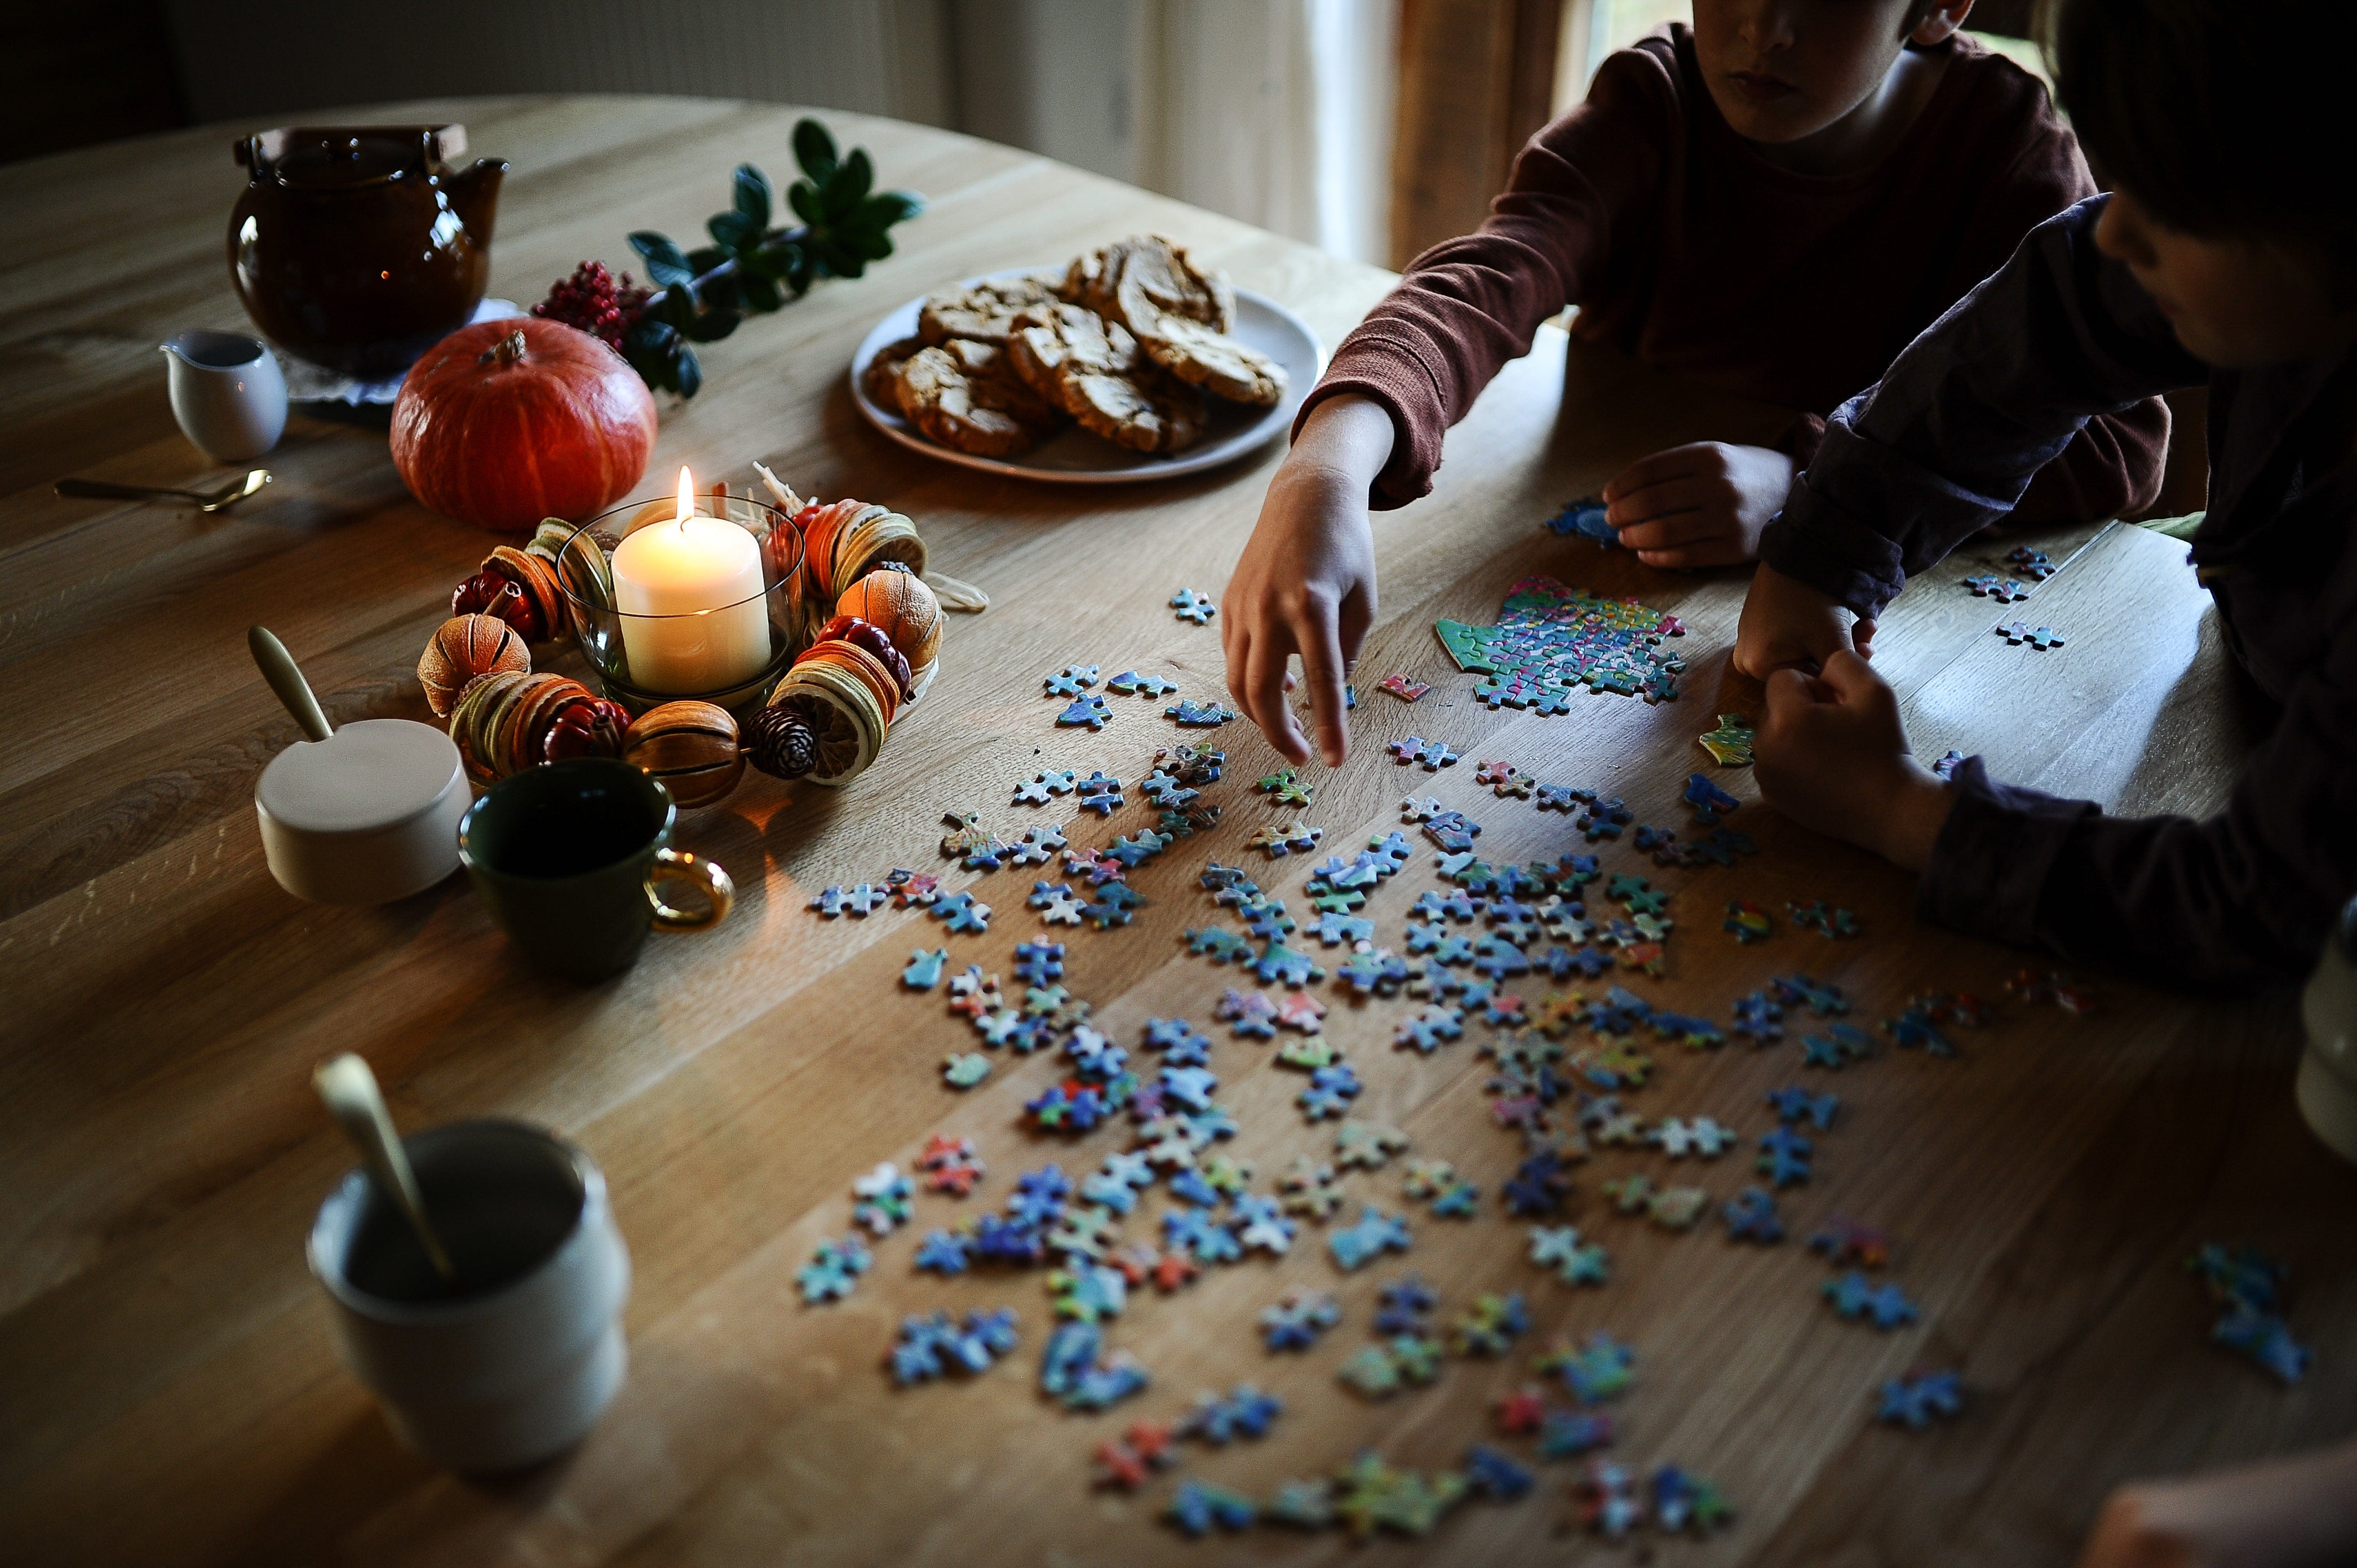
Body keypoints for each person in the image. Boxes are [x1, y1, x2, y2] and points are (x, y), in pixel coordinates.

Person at [1224, 0, 2168, 768]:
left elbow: (2121, 449)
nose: (1768, 27)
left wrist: (1804, 482)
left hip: (1825, 659)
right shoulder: (1652, 104)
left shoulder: (2003, 148)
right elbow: (1482, 281)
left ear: (1936, 8)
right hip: (1591, 631)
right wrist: (1325, 471)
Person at [1734, 0, 2357, 989]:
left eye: (2170, 198)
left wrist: (1902, 813)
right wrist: (1825, 547)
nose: (2115, 232)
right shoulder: (2278, 236)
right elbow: (2051, 320)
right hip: (2247, 681)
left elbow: (2267, 907)